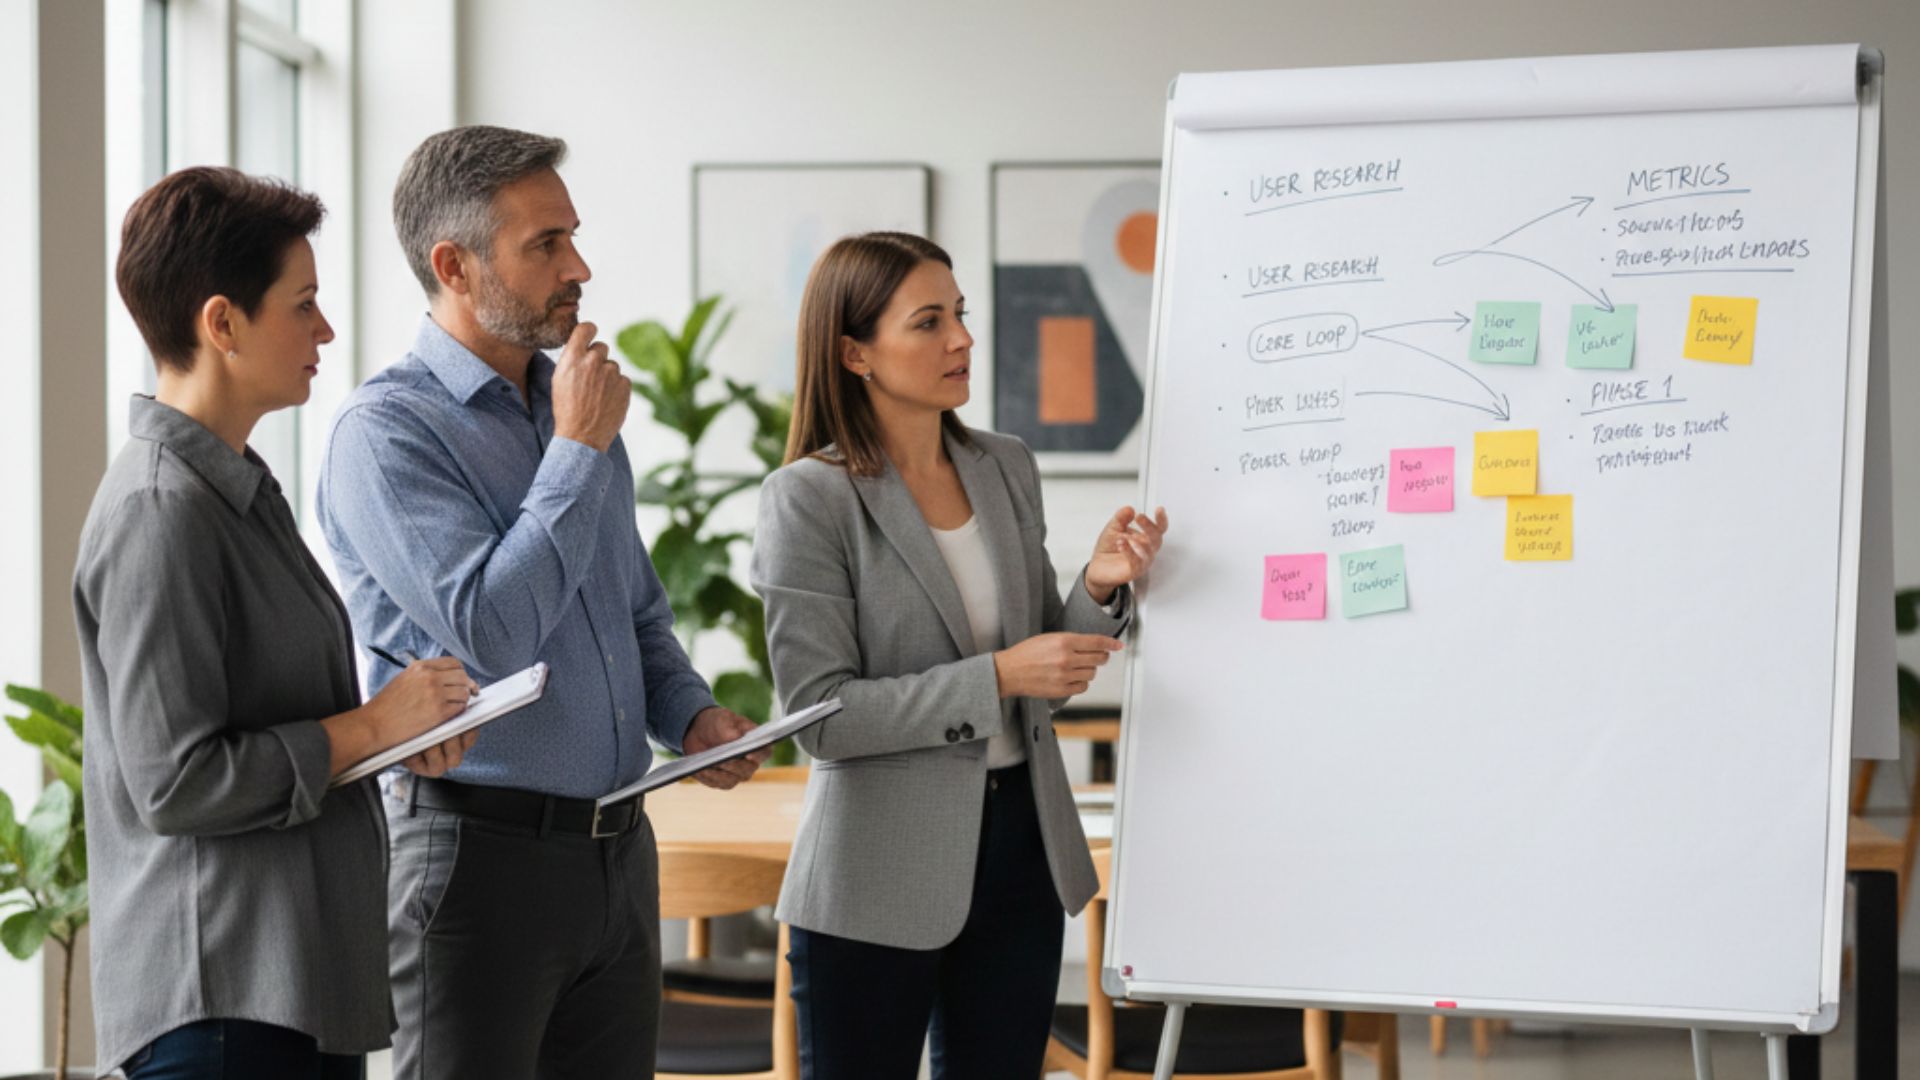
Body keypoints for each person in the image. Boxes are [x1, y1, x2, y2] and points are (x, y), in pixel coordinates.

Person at [315, 125, 767, 1080]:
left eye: (573, 236)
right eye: (546, 246)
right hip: (476, 869)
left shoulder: (575, 406)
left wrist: (691, 716)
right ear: (454, 265)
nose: (580, 267)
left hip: (617, 861)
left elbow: (636, 611)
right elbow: (492, 632)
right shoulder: (386, 434)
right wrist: (574, 453)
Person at [75, 166, 479, 1080]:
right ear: (222, 323)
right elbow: (176, 783)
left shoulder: (237, 491)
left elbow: (269, 722)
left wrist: (390, 737)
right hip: (219, 1005)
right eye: (303, 305)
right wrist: (372, 724)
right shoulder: (161, 511)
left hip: (283, 989)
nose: (325, 331)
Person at [750, 231, 1169, 1078]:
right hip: (875, 870)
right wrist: (1001, 677)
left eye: (961, 315)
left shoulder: (1005, 466)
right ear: (854, 352)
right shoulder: (808, 498)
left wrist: (1098, 584)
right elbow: (821, 717)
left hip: (1022, 846)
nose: (962, 340)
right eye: (929, 321)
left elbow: (1038, 672)